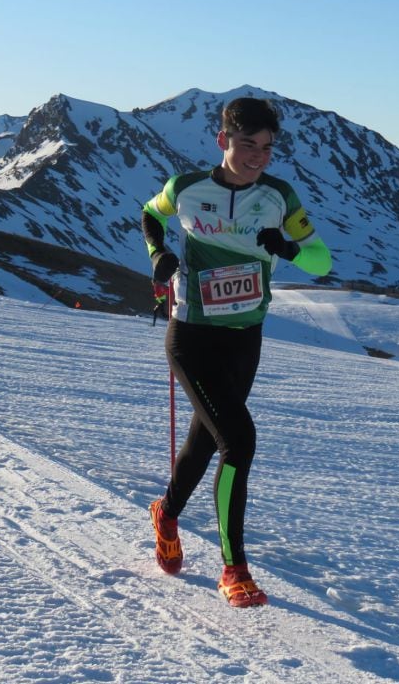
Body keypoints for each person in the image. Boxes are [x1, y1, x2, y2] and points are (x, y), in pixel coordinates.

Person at [141, 97, 332, 607]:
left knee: (207, 443)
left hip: (245, 337)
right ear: (223, 139)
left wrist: (288, 247)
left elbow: (321, 261)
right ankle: (234, 568)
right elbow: (149, 213)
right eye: (248, 144)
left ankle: (167, 512)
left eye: (267, 147)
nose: (258, 157)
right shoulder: (186, 189)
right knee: (239, 441)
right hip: (192, 336)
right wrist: (158, 254)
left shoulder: (278, 196)